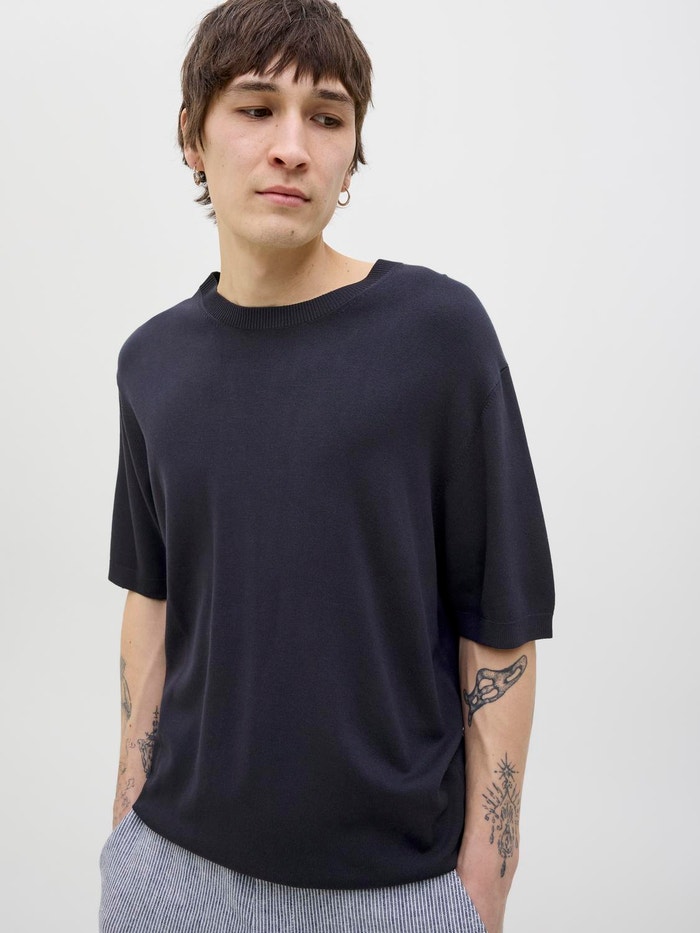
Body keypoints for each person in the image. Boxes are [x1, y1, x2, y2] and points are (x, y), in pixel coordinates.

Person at [99, 1, 555, 931]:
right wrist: (125, 814)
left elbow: (499, 620)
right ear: (191, 136)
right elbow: (153, 601)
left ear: (352, 153)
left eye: (327, 116)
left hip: (393, 894)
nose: (292, 148)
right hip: (169, 875)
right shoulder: (151, 362)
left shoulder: (438, 335)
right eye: (255, 108)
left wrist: (485, 883)